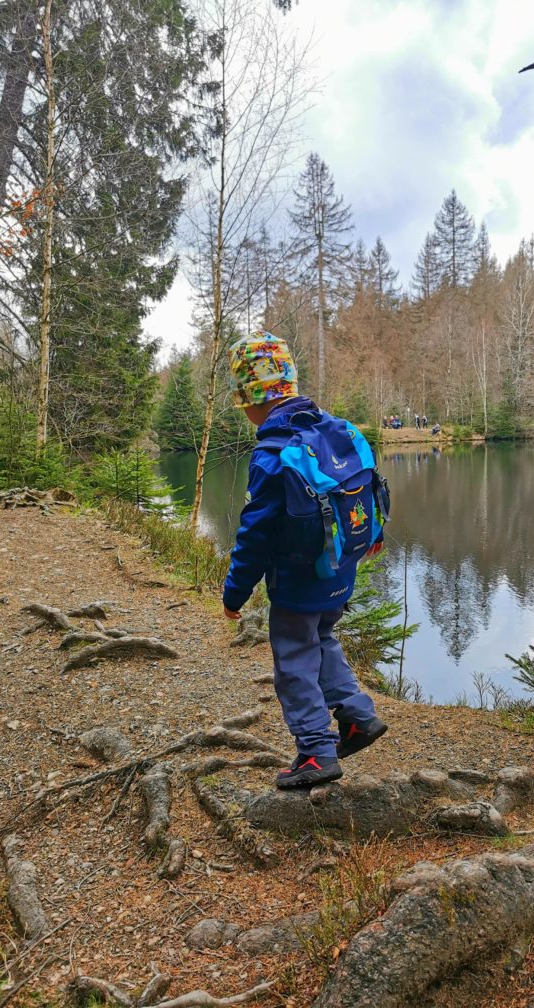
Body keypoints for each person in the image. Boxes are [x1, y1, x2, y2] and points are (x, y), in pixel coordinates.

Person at [222, 332, 389, 790]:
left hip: (297, 580)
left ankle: (316, 752)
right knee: (324, 636)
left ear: (254, 400)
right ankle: (356, 716)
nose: (247, 417)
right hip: (341, 568)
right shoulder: (333, 429)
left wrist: (235, 592)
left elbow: (254, 533)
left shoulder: (272, 454)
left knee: (294, 658)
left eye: (245, 406)